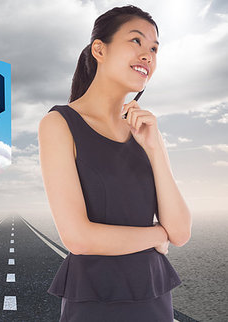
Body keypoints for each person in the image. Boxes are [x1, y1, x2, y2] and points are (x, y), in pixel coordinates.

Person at [38, 5, 192, 322]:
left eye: (154, 49)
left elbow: (179, 232)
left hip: (154, 298)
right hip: (95, 302)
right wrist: (155, 236)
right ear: (99, 49)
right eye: (136, 41)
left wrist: (155, 147)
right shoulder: (59, 123)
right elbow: (78, 237)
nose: (147, 55)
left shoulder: (144, 131)